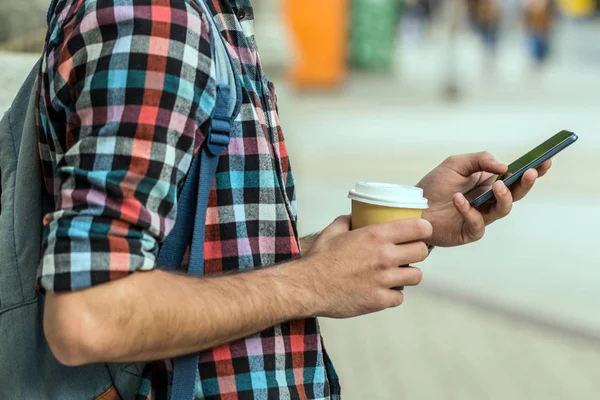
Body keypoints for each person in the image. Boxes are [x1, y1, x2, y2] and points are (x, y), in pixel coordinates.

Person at [38, 0, 551, 399]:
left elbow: (207, 250)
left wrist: (412, 219)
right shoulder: (159, 23)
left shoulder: (208, 17)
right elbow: (89, 312)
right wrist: (314, 282)